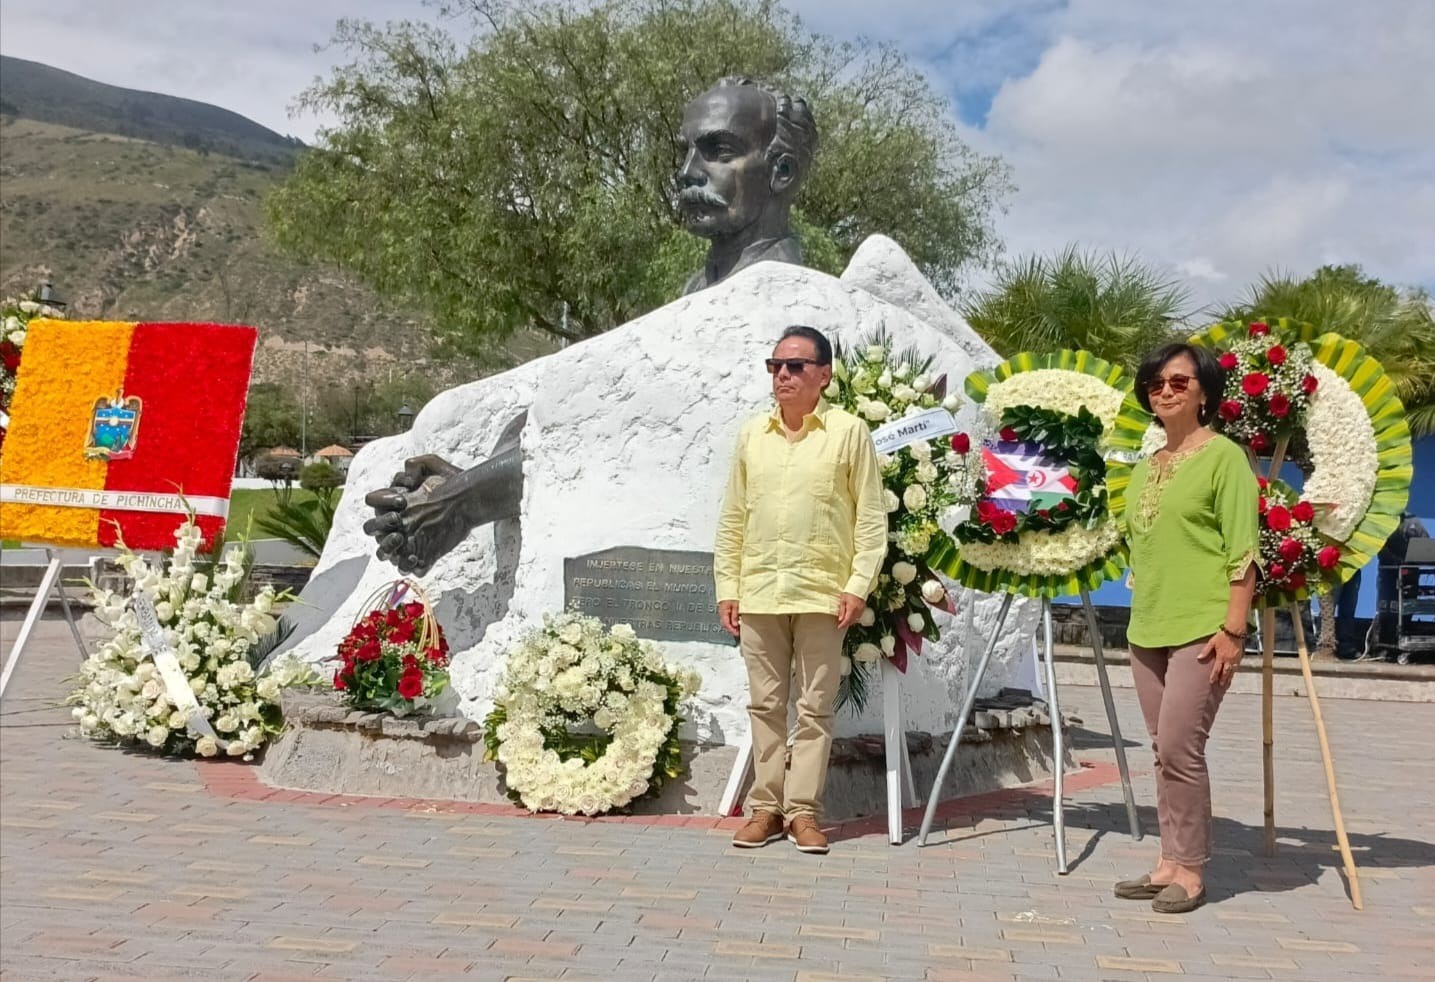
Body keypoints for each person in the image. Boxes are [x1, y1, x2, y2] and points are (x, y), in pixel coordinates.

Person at [714, 325, 885, 854]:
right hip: (760, 590)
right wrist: (728, 586)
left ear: (824, 375)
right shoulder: (752, 435)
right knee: (765, 706)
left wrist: (857, 586)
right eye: (774, 366)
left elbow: (870, 518)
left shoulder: (849, 432)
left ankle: (804, 813)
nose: (782, 375)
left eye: (794, 366)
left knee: (814, 709)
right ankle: (766, 808)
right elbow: (733, 517)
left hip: (821, 594)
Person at [1115, 342, 1259, 913]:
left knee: (1181, 746)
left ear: (1203, 391)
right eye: (1156, 382)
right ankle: (1167, 862)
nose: (1166, 390)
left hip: (1203, 627)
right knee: (1162, 749)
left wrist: (1233, 629)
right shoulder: (1147, 466)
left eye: (1179, 381)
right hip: (1146, 626)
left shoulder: (1224, 457)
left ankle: (1192, 871)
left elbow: (1242, 550)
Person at [677, 77, 816, 295]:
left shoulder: (796, 293)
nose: (686, 172)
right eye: (685, 152)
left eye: (721, 151)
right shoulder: (693, 288)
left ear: (783, 172)